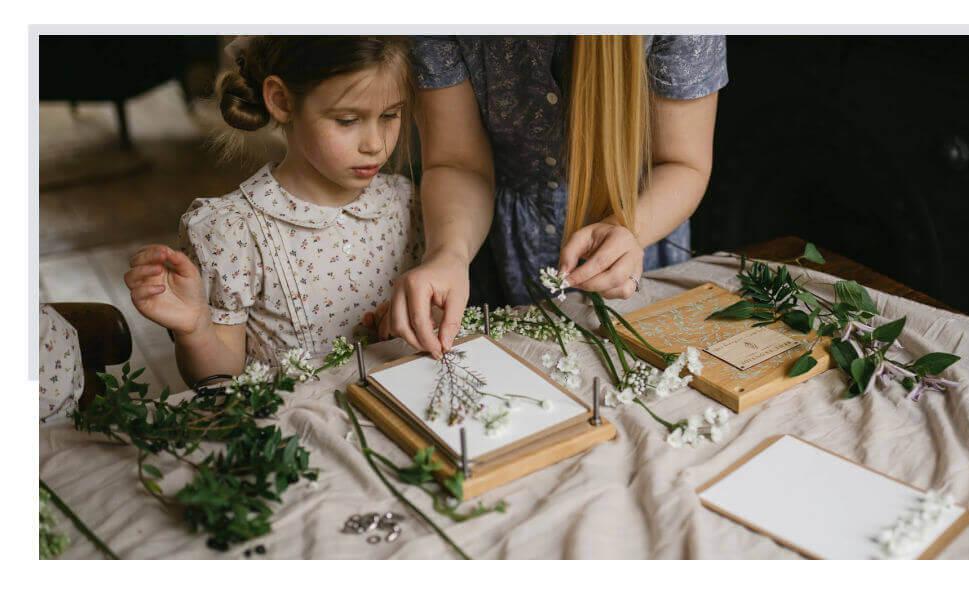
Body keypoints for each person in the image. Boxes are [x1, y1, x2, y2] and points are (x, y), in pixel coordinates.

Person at [389, 35, 727, 359]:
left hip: (645, 231)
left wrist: (631, 229)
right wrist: (449, 254)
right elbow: (457, 162)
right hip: (493, 241)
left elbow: (683, 163)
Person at [124, 36, 422, 386]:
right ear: (281, 101)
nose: (375, 144)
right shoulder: (233, 230)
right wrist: (195, 328)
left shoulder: (405, 203)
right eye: (346, 120)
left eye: (390, 115)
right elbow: (219, 377)